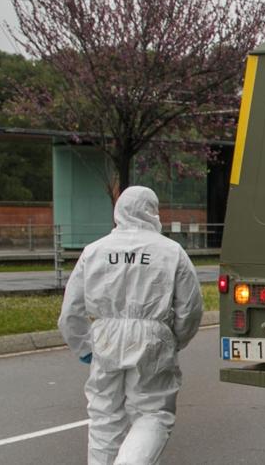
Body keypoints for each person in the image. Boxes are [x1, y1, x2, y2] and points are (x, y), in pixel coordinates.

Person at [59, 186, 204, 465]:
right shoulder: (171, 252)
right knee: (153, 414)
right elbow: (190, 308)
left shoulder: (94, 251)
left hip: (105, 336)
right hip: (153, 336)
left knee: (104, 417)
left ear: (119, 211)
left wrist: (84, 347)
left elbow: (71, 311)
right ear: (153, 211)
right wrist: (175, 340)